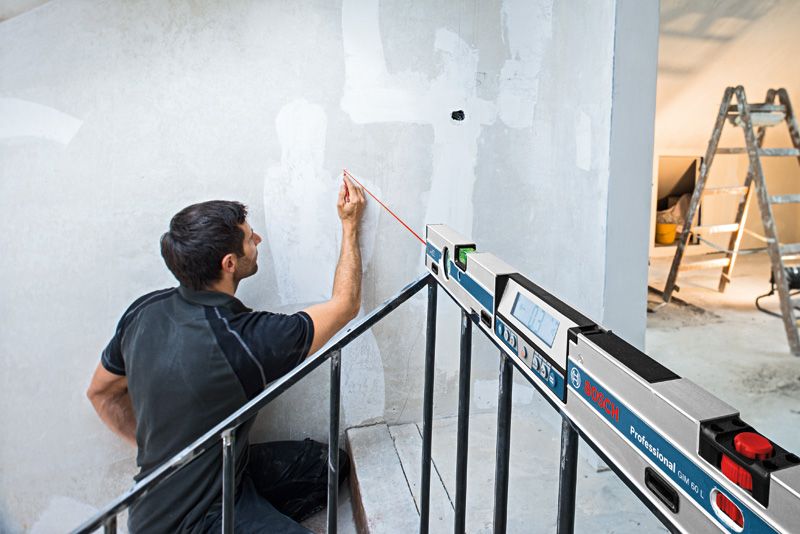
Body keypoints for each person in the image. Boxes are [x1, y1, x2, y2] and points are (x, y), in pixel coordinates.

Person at [86, 175, 367, 533]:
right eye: (250, 238)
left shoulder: (143, 311)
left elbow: (100, 393)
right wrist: (349, 225)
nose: (258, 239)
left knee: (325, 466)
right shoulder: (242, 339)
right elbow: (345, 305)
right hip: (193, 522)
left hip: (204, 483)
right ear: (229, 263)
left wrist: (168, 457)